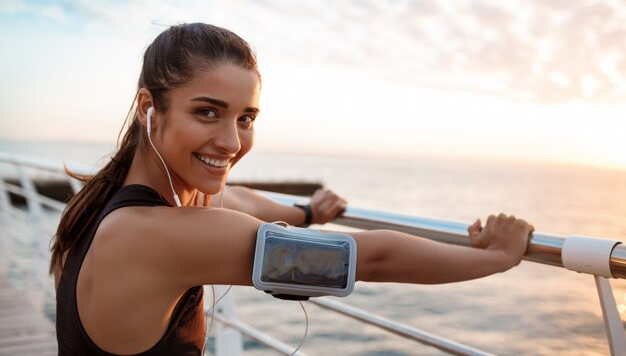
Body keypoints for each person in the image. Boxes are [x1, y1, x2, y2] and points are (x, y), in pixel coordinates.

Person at [50, 23, 534, 356]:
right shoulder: (160, 235)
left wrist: (307, 211)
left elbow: (238, 199)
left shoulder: (108, 203)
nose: (232, 140)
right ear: (148, 107)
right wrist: (497, 257)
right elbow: (369, 258)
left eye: (246, 118)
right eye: (207, 112)